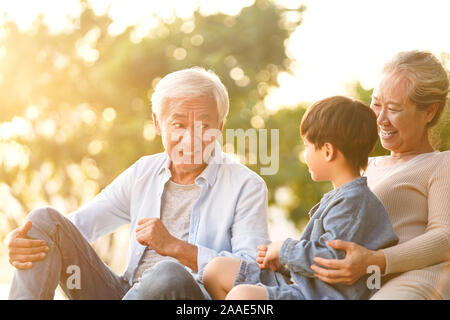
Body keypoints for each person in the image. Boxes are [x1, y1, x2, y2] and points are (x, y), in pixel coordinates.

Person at [6, 67, 270, 300]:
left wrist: (176, 248)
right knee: (43, 221)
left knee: (170, 273)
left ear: (220, 127)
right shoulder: (144, 171)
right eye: (178, 125)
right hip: (125, 292)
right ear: (158, 123)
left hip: (188, 297)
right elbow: (78, 226)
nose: (191, 139)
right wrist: (23, 239)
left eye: (204, 126)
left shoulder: (247, 186)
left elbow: (252, 274)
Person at [202, 96, 399, 300]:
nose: (304, 154)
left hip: (320, 295)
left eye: (307, 146)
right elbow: (317, 256)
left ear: (328, 151)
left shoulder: (354, 203)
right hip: (305, 286)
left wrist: (285, 250)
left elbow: (333, 258)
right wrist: (286, 262)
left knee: (243, 296)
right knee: (216, 270)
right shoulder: (342, 198)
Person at [310, 51, 450, 300]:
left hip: (409, 279)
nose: (380, 119)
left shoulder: (441, 164)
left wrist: (375, 261)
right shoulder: (361, 165)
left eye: (394, 109)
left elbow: (444, 238)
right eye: (376, 104)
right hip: (349, 283)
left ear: (429, 112)